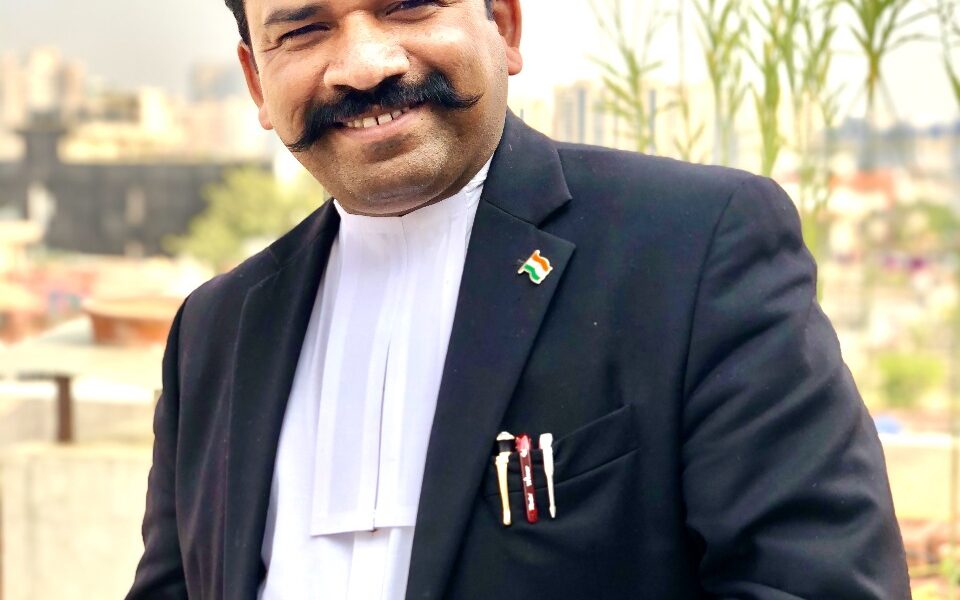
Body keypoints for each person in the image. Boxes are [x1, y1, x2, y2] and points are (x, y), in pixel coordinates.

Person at [127, 0, 911, 598]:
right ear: (257, 82)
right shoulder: (218, 328)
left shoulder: (692, 248)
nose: (363, 65)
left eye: (409, 5)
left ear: (502, 24)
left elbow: (814, 582)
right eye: (303, 31)